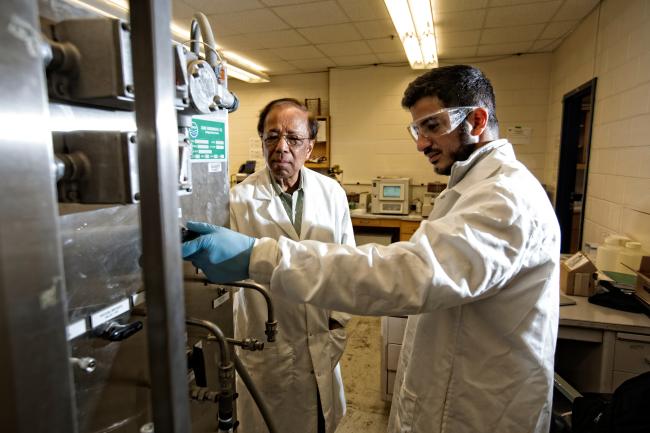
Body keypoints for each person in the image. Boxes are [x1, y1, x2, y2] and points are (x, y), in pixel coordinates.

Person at [183, 65, 561, 433]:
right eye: (417, 129)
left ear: (476, 121)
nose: (421, 143)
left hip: (480, 407)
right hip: (284, 346)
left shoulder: (505, 196)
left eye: (432, 126)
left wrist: (259, 256)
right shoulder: (471, 187)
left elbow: (408, 274)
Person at [230, 98, 354, 433]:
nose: (282, 147)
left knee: (320, 420)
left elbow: (349, 263)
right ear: (262, 142)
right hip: (269, 341)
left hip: (322, 335)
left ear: (309, 147)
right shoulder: (239, 201)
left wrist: (337, 321)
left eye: (294, 139)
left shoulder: (332, 193)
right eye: (272, 137)